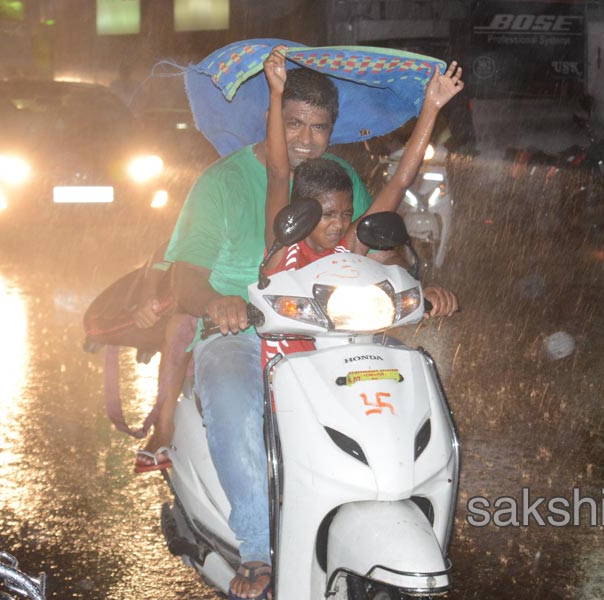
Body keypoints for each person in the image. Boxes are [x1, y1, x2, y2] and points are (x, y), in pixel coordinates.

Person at [164, 51, 460, 600]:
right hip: (243, 330)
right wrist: (219, 304)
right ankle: (256, 547)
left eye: (318, 126)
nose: (304, 138)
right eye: (292, 123)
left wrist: (416, 287)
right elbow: (189, 278)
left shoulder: (338, 185)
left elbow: (384, 228)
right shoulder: (239, 192)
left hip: (330, 332)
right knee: (234, 398)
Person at [261, 47, 462, 366]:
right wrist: (276, 92)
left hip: (342, 371)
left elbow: (398, 183)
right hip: (291, 381)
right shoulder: (282, 250)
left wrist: (431, 108)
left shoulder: (346, 248)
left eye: (345, 214)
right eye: (327, 216)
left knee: (415, 364)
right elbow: (277, 172)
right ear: (301, 215)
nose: (339, 225)